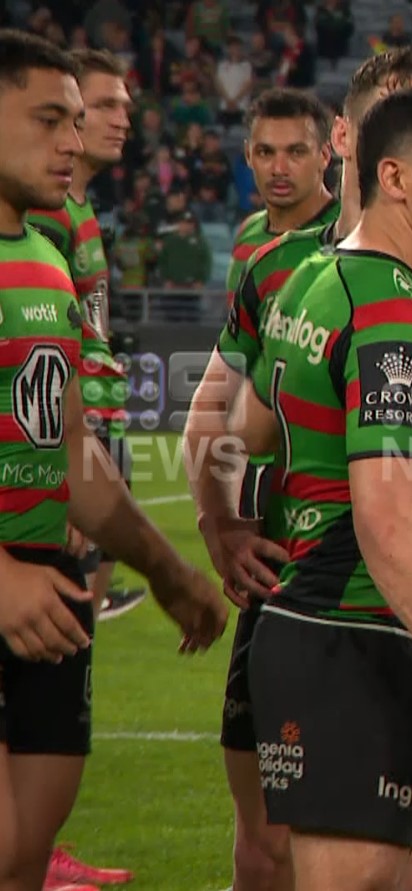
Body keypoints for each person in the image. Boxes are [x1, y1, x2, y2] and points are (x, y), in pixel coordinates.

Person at [181, 48, 412, 891]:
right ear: (393, 174)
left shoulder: (313, 273)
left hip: (332, 622)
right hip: (358, 624)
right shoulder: (395, 305)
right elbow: (386, 513)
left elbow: (250, 427)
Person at [0, 29, 229, 891]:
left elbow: (68, 454)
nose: (71, 139)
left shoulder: (45, 266)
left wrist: (166, 571)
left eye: (76, 119)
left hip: (49, 587)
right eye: (48, 118)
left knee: (24, 860)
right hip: (13, 583)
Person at [26, 49, 146, 628]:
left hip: (98, 429)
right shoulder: (47, 216)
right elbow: (43, 353)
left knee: (80, 634)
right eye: (104, 106)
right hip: (73, 445)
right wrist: (66, 475)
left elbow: (87, 328)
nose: (121, 119)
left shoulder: (81, 208)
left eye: (124, 107)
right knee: (63, 639)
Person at [226, 88, 340, 290]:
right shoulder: (248, 233)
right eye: (265, 152)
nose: (279, 169)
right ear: (248, 155)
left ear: (324, 155)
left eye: (296, 152)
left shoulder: (350, 235)